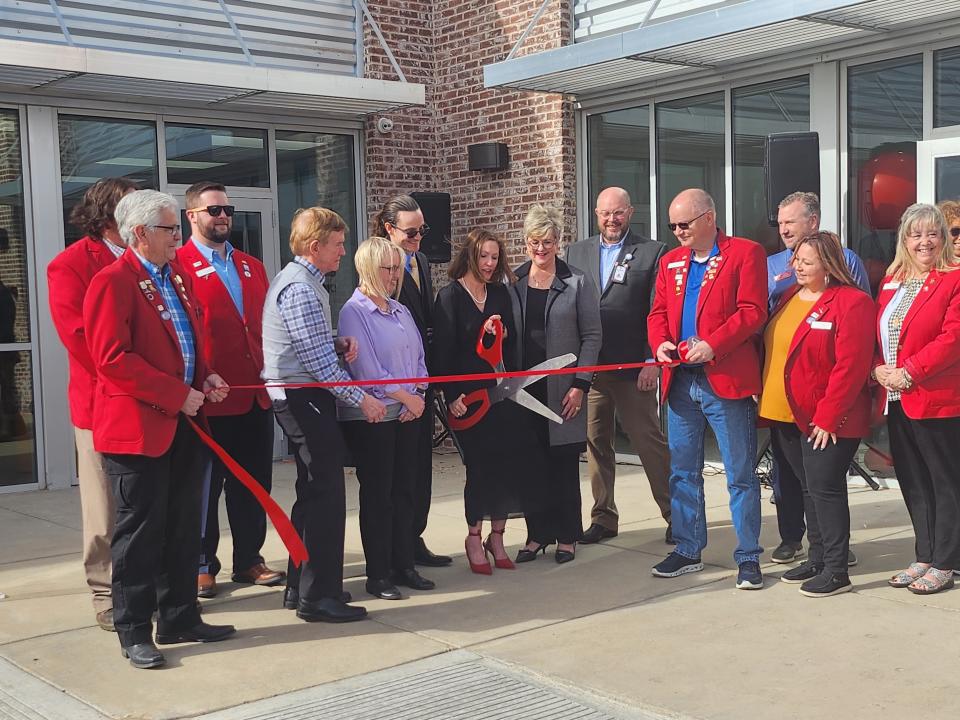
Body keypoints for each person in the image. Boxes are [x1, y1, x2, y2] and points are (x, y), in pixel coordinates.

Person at [83, 190, 234, 669]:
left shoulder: (176, 279)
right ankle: (134, 629)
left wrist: (204, 376)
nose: (177, 236)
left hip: (186, 422)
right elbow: (111, 359)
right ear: (140, 233)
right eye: (170, 228)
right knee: (141, 534)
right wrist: (174, 393)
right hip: (141, 429)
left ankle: (180, 615)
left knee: (184, 526)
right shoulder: (113, 282)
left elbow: (185, 341)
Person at [262, 207, 385, 622]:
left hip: (304, 395)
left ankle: (304, 586)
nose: (342, 251)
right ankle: (318, 596)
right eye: (337, 244)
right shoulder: (299, 287)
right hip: (302, 399)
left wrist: (336, 341)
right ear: (315, 247)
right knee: (326, 494)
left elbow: (312, 346)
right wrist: (362, 399)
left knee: (313, 494)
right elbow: (317, 365)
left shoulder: (305, 282)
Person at [647, 188, 767, 590]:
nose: (678, 231)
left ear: (709, 218)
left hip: (725, 378)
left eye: (685, 223)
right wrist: (660, 342)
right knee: (682, 470)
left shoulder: (744, 253)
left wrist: (714, 344)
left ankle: (748, 556)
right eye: (673, 225)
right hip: (681, 380)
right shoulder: (671, 261)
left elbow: (752, 311)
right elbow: (659, 312)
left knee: (740, 474)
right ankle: (687, 547)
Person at [177, 181, 284, 599]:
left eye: (227, 210)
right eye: (213, 211)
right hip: (210, 398)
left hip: (254, 393)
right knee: (206, 486)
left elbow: (262, 326)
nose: (222, 217)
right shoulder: (179, 265)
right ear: (192, 216)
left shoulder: (251, 265)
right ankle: (203, 564)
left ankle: (249, 559)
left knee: (254, 482)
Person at [759, 231, 874, 597]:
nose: (797, 267)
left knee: (826, 489)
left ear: (829, 265)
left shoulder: (851, 302)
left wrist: (828, 416)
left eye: (807, 262)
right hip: (786, 412)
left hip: (827, 418)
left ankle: (838, 569)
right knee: (807, 487)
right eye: (796, 260)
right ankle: (818, 556)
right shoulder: (792, 295)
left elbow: (851, 367)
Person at [47, 177, 138, 632]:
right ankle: (105, 592)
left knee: (142, 504)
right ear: (107, 216)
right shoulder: (71, 264)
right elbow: (81, 339)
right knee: (104, 508)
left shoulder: (152, 259)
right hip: (102, 403)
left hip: (151, 402)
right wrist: (138, 377)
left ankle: (144, 589)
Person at [433, 228, 546, 574]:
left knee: (507, 466)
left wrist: (503, 333)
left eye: (495, 257)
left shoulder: (499, 293)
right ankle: (473, 535)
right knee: (480, 470)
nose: (489, 263)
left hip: (503, 397)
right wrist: (452, 398)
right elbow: (442, 354)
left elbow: (513, 343)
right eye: (483, 256)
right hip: (469, 400)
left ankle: (497, 537)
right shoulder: (450, 296)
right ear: (469, 256)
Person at [565, 187, 673, 545]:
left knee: (649, 443)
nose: (612, 220)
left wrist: (651, 360)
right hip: (592, 370)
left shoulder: (652, 251)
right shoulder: (576, 251)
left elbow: (660, 311)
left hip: (633, 368)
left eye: (619, 213)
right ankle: (603, 517)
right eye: (605, 213)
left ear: (630, 212)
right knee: (596, 444)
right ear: (596, 214)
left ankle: (675, 515)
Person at [338, 237, 435, 599]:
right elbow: (367, 370)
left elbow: (420, 358)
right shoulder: (354, 311)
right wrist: (406, 396)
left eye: (397, 268)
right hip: (377, 419)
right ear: (367, 269)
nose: (395, 275)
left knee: (405, 490)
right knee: (379, 495)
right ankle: (379, 574)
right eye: (388, 268)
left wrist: (419, 395)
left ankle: (404, 564)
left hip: (409, 413)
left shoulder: (400, 310)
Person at [874, 203, 960, 595]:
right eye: (915, 234)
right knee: (913, 480)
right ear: (903, 240)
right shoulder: (893, 281)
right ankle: (924, 555)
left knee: (944, 483)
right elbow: (879, 332)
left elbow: (951, 340)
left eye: (932, 233)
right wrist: (878, 368)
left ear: (943, 238)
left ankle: (946, 561)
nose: (924, 241)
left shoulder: (953, 279)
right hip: (896, 396)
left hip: (936, 398)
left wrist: (909, 372)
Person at [509, 205, 601, 564]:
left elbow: (592, 337)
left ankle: (566, 535)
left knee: (562, 465)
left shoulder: (578, 281)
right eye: (534, 242)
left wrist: (581, 384)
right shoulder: (513, 280)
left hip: (564, 388)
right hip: (524, 389)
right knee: (531, 465)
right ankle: (536, 535)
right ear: (526, 242)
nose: (541, 249)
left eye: (548, 242)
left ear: (558, 242)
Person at [372, 194, 451, 567]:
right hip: (395, 388)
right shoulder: (376, 266)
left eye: (423, 230)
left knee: (420, 469)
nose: (418, 238)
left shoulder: (419, 260)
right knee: (396, 476)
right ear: (389, 229)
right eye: (411, 231)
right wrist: (403, 392)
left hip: (421, 381)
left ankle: (413, 538)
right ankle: (393, 549)